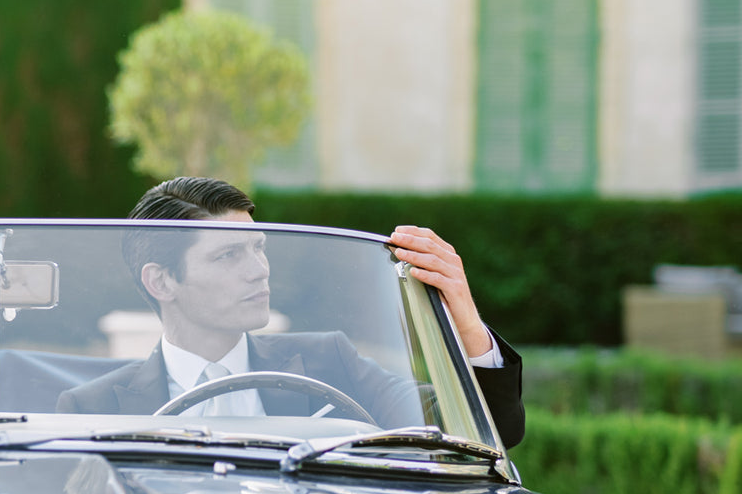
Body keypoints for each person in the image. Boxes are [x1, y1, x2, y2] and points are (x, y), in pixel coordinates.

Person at [54, 177, 524, 447]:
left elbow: (485, 432)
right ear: (161, 282)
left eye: (258, 248)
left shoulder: (330, 363)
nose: (259, 271)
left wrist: (465, 319)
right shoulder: (92, 409)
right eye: (228, 255)